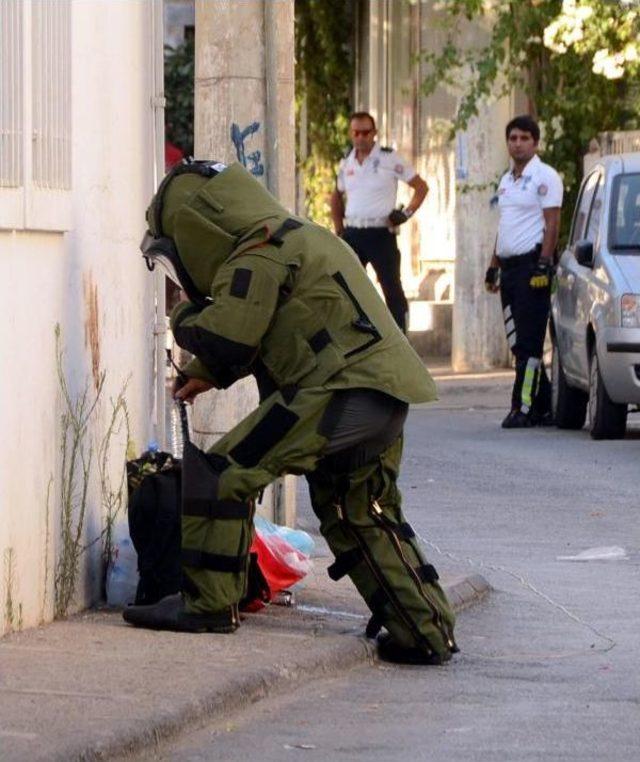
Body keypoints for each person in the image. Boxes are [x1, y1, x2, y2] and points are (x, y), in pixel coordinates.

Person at [124, 159, 457, 665]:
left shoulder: (257, 251)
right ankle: (424, 629)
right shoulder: (296, 236)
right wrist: (206, 372)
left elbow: (228, 335)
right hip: (383, 393)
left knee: (222, 474)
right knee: (361, 512)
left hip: (336, 393)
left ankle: (208, 606)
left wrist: (182, 314)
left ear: (196, 229)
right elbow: (265, 330)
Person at [484, 115, 563, 429]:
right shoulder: (506, 180)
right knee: (517, 341)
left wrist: (545, 262)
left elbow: (553, 223)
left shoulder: (545, 177)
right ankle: (544, 405)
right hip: (509, 269)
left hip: (533, 267)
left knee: (530, 345)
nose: (517, 143)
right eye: (513, 138)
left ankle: (523, 406)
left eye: (524, 138)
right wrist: (493, 266)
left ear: (535, 142)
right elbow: (505, 228)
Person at [330, 112, 428, 333]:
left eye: (366, 132)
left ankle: (402, 338)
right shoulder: (347, 161)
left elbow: (421, 187)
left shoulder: (389, 158)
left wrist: (406, 213)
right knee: (347, 287)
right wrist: (339, 231)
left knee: (392, 288)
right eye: (356, 132)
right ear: (351, 134)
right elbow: (336, 195)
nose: (361, 137)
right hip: (353, 232)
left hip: (381, 233)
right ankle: (355, 336)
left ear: (374, 133)